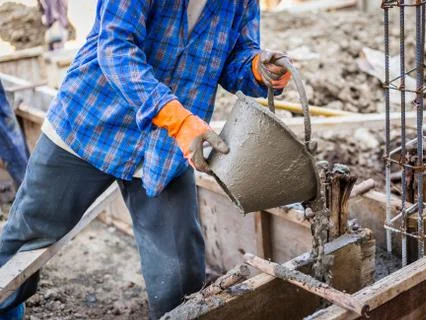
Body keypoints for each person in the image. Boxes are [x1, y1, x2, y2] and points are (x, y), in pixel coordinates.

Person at [0, 1, 292, 319]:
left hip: (166, 149)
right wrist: (176, 119)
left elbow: (236, 54)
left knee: (180, 278)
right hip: (90, 123)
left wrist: (255, 68)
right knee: (25, 239)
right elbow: (115, 45)